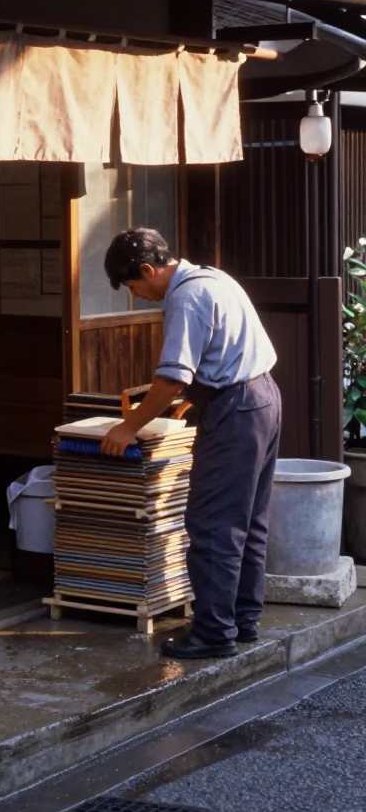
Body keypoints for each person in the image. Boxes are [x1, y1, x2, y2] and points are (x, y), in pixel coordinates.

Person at [101, 228, 281, 660]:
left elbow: (172, 375)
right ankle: (241, 621)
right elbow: (213, 356)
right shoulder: (211, 277)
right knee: (247, 521)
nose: (136, 295)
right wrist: (193, 401)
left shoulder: (186, 297)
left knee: (213, 524)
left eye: (133, 285)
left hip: (235, 409)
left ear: (148, 270)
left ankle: (213, 634)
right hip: (262, 399)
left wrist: (129, 427)